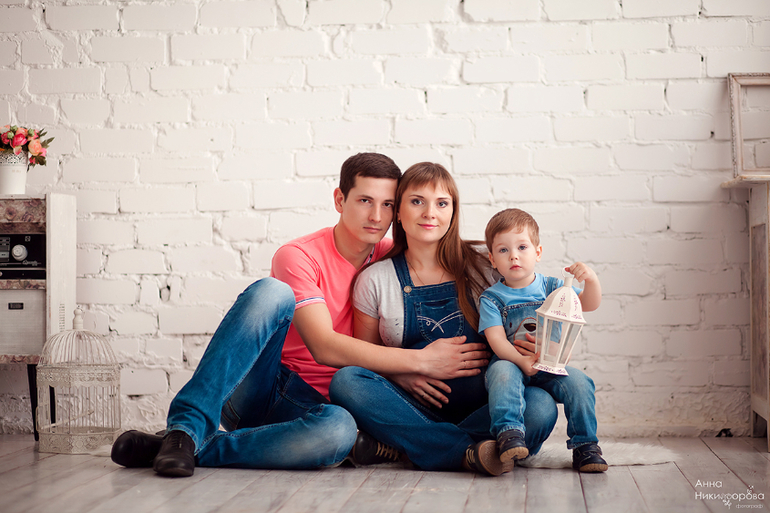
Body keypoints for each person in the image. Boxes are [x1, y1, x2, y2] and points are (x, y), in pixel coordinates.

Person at [110, 153, 489, 477]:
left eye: (388, 204)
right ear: (340, 199)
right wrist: (420, 362)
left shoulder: (391, 257)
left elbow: (439, 248)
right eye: (364, 200)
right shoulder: (299, 255)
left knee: (338, 433)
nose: (376, 216)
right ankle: (185, 428)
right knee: (272, 291)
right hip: (267, 388)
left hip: (331, 408)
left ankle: (195, 448)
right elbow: (323, 346)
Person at [330, 163, 560, 476]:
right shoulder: (375, 280)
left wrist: (533, 343)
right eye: (417, 201)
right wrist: (402, 373)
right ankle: (465, 451)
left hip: (489, 407)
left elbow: (534, 309)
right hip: (411, 408)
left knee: (540, 406)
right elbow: (364, 359)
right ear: (398, 212)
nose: (430, 213)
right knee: (347, 382)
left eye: (441, 203)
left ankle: (411, 445)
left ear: (453, 212)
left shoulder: (488, 264)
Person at [479, 208, 607, 472]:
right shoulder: (492, 298)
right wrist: (520, 361)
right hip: (511, 362)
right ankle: (509, 434)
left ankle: (586, 446)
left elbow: (589, 304)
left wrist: (591, 280)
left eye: (522, 247)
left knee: (580, 382)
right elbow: (497, 340)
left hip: (550, 363)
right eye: (503, 250)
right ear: (492, 259)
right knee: (502, 372)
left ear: (537, 252)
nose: (513, 255)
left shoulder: (554, 288)